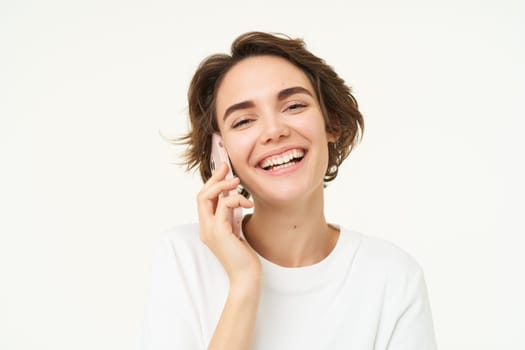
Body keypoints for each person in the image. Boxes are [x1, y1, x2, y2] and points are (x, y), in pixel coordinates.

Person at [141, 32, 437, 350]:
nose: (274, 131)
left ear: (331, 123)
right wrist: (244, 283)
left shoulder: (393, 277)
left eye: (294, 105)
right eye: (243, 121)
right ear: (221, 152)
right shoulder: (185, 257)